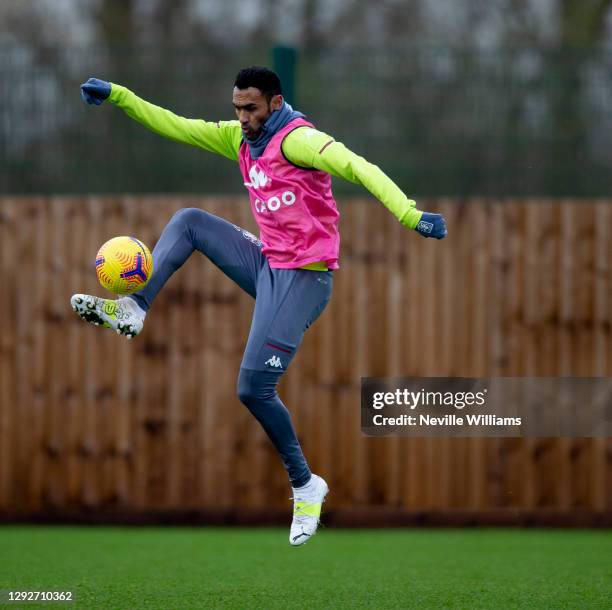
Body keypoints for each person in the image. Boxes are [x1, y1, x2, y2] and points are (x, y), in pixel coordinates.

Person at [72, 66, 447, 546]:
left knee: (252, 388)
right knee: (189, 221)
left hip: (306, 280)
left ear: (274, 103)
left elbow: (358, 166)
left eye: (250, 108)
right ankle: (134, 307)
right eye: (237, 109)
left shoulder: (300, 142)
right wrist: (119, 95)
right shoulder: (239, 140)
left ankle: (306, 485)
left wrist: (410, 214)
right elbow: (174, 124)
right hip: (269, 265)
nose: (242, 118)